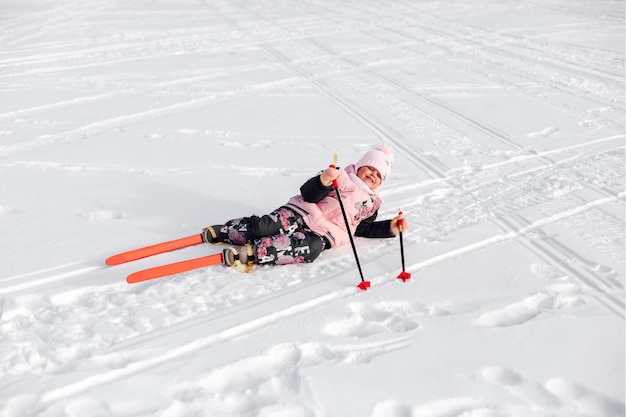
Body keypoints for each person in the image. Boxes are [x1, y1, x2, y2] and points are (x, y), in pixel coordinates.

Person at [202, 144, 410, 269]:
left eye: (378, 175)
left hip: (324, 235)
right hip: (300, 213)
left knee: (310, 249)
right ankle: (228, 232)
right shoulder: (341, 176)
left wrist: (390, 229)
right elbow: (308, 193)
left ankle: (253, 253)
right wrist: (325, 180)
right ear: (359, 166)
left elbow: (362, 228)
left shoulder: (372, 204)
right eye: (370, 168)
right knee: (263, 227)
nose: (373, 175)